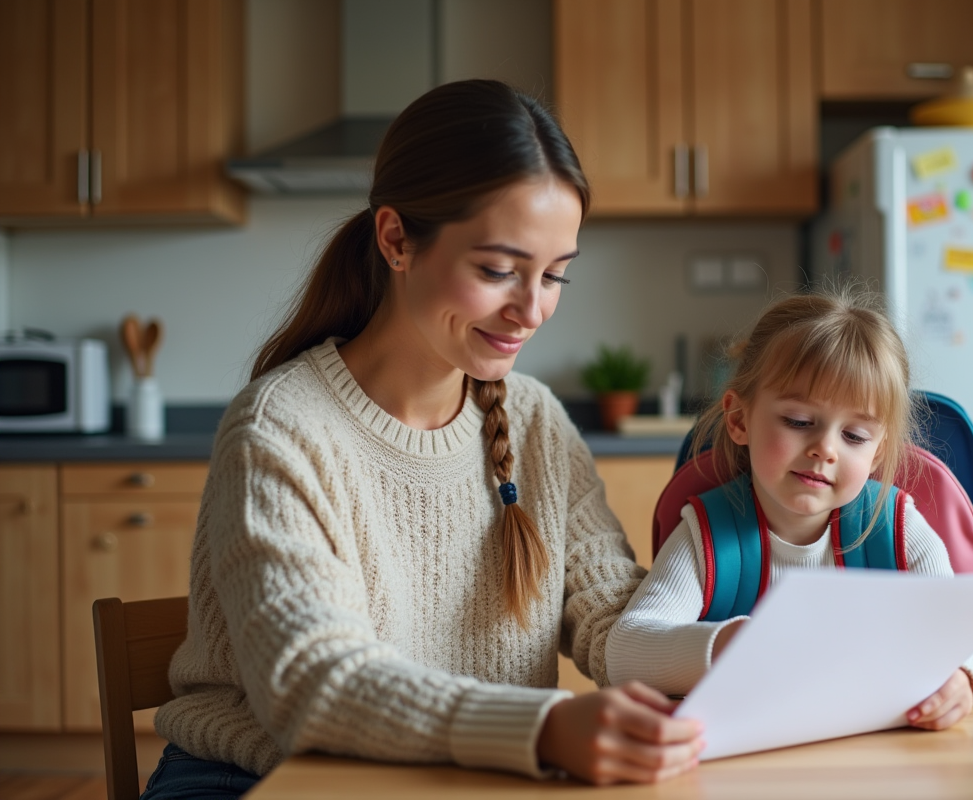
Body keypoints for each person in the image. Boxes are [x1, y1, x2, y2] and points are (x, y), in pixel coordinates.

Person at [141, 80, 704, 799]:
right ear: (396, 240)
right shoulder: (279, 429)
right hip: (252, 776)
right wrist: (542, 729)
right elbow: (312, 684)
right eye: (498, 270)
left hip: (465, 779)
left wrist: (727, 653)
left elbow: (611, 619)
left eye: (555, 275)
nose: (531, 309)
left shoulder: (534, 421)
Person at [605, 289, 973, 731]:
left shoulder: (900, 530)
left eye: (855, 436)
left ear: (879, 452)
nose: (824, 449)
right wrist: (728, 645)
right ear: (740, 421)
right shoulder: (706, 536)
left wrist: (962, 677)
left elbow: (958, 640)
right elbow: (625, 651)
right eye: (800, 422)